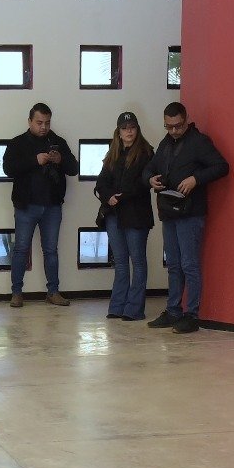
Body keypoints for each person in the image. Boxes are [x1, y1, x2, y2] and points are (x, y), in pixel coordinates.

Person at [144, 101, 229, 332]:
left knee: (189, 264)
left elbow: (222, 166)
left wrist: (195, 179)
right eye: (169, 126)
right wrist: (150, 179)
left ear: (186, 120)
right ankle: (173, 310)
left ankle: (192, 314)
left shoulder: (199, 142)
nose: (173, 131)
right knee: (173, 264)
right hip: (169, 210)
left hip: (190, 212)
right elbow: (149, 168)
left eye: (178, 126)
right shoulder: (166, 143)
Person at [1, 102, 79, 307]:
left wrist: (60, 159)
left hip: (52, 206)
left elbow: (74, 168)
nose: (44, 127)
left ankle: (53, 292)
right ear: (29, 121)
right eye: (39, 122)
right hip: (26, 206)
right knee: (21, 249)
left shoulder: (58, 142)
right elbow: (8, 168)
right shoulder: (18, 143)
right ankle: (16, 293)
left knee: (51, 250)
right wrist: (34, 160)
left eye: (47, 122)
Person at [93, 111, 156, 321]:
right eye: (124, 128)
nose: (129, 131)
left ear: (137, 129)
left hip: (136, 215)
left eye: (132, 128)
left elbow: (143, 183)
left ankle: (134, 309)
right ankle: (117, 306)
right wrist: (108, 196)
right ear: (118, 132)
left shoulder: (147, 153)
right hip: (114, 214)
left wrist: (120, 196)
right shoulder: (113, 154)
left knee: (137, 262)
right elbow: (101, 182)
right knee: (120, 262)